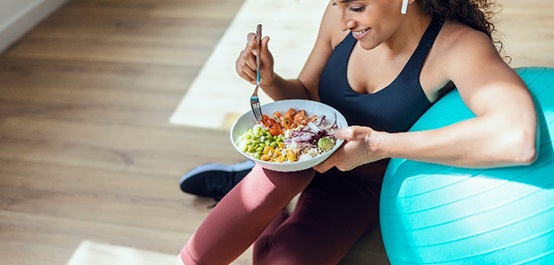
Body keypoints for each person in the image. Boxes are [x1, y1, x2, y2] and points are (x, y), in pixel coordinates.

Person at [176, 0, 538, 264]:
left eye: (356, 6)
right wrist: (269, 80)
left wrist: (377, 145)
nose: (344, 20)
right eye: (337, 4)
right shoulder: (340, 21)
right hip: (301, 156)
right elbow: (307, 96)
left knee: (278, 259)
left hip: (362, 182)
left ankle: (257, 196)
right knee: (284, 177)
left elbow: (517, 139)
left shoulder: (458, 48)